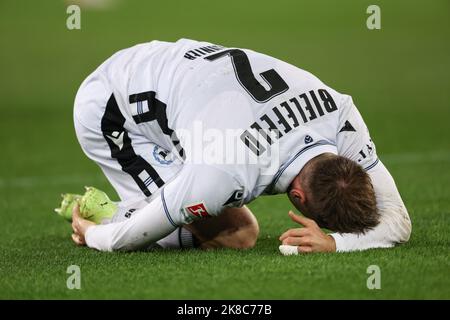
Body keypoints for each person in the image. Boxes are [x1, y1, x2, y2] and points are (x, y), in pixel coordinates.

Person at [68, 38, 411, 253]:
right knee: (237, 235)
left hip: (175, 77)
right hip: (115, 107)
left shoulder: (340, 116)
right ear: (298, 199)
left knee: (232, 225)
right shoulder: (223, 170)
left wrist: (335, 242)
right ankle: (104, 210)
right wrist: (96, 234)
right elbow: (123, 242)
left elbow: (398, 221)